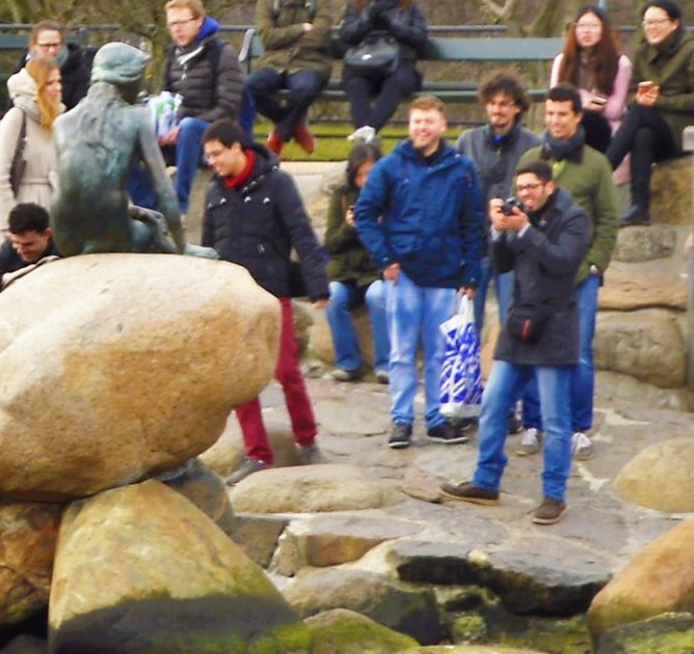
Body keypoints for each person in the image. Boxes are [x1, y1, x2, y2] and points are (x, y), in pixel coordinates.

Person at [443, 158, 592, 526]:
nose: (524, 194)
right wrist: (497, 231)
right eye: (520, 188)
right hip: (519, 325)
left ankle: (554, 496)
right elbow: (503, 264)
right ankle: (485, 481)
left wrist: (525, 230)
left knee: (556, 421)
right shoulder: (519, 217)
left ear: (548, 187)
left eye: (531, 187)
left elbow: (562, 261)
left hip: (555, 327)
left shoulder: (573, 218)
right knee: (493, 405)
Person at [198, 121, 329, 483]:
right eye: (208, 157)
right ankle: (257, 454)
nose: (213, 163)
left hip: (272, 293)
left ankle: (307, 440)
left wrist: (318, 285)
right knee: (241, 379)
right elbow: (207, 248)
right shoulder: (215, 192)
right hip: (231, 297)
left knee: (286, 370)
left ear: (237, 148)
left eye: (217, 154)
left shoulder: (278, 183)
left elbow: (302, 233)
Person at [353, 93, 483, 450]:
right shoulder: (390, 167)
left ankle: (439, 419)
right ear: (409, 125)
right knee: (401, 352)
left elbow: (473, 223)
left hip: (444, 273)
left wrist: (471, 273)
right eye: (416, 122)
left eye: (429, 121)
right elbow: (365, 213)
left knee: (441, 352)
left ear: (443, 125)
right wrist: (385, 258)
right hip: (404, 274)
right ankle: (401, 419)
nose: (422, 128)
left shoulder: (461, 168)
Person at [513, 86, 618, 458]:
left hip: (578, 274)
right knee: (529, 343)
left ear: (577, 116)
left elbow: (608, 217)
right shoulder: (529, 157)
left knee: (579, 351)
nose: (555, 121)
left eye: (563, 114)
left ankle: (577, 426)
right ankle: (533, 422)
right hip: (536, 274)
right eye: (550, 114)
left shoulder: (595, 164)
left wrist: (595, 263)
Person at [50, 43, 186, 256]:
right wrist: (184, 246)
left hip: (65, 236)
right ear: (128, 80)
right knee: (153, 230)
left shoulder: (62, 122)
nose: (142, 88)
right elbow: (164, 190)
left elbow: (78, 190)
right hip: (113, 234)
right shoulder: (137, 118)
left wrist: (135, 210)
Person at [604, 0, 694, 226]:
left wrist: (660, 101)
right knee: (641, 134)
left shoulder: (692, 50)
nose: (651, 28)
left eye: (657, 22)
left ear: (674, 23)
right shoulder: (643, 53)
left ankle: (604, 168)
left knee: (639, 114)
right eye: (647, 23)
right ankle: (639, 207)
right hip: (657, 130)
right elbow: (631, 93)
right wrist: (640, 98)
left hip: (687, 128)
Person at [456, 73, 537, 337]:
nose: (497, 109)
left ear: (517, 107)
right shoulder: (467, 141)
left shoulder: (534, 145)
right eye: (492, 103)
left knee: (511, 319)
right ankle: (468, 378)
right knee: (467, 321)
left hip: (514, 246)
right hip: (475, 245)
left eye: (504, 103)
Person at [247, 0, 334, 157]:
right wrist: (300, 29)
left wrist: (286, 37)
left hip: (310, 63)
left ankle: (280, 133)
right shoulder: (267, 1)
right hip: (274, 63)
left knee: (304, 89)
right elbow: (267, 38)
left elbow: (320, 35)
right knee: (248, 88)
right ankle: (293, 126)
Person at [160, 0, 245, 214]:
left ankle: (178, 208)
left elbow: (228, 106)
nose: (176, 29)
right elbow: (166, 97)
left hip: (211, 132)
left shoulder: (222, 53)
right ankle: (147, 205)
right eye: (172, 24)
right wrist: (162, 123)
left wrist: (183, 126)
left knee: (189, 127)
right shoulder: (172, 55)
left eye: (182, 22)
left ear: (199, 21)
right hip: (177, 132)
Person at [334, 0, 429, 142]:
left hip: (398, 65)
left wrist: (393, 25)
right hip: (363, 65)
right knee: (354, 83)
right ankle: (367, 134)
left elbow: (419, 37)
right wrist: (368, 19)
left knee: (398, 82)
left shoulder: (409, 4)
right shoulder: (357, 5)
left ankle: (367, 131)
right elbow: (346, 36)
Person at [323, 140, 390, 384]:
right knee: (332, 297)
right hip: (346, 273)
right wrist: (349, 228)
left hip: (376, 272)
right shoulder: (342, 197)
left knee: (377, 296)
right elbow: (330, 243)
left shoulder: (391, 196)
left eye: (371, 173)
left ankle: (385, 364)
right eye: (360, 174)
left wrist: (382, 226)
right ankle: (348, 362)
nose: (366, 180)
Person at [0, 55, 62, 230]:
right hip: (24, 214)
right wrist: (9, 226)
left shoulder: (58, 120)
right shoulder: (16, 117)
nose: (57, 88)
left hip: (55, 216)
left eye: (58, 81)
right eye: (49, 83)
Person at [554, 8, 630, 156]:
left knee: (590, 120)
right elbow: (555, 100)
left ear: (603, 30)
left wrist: (580, 102)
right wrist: (583, 104)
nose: (586, 31)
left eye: (593, 26)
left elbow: (615, 110)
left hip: (606, 127)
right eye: (581, 26)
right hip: (568, 123)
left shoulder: (620, 63)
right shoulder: (562, 61)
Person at [0, 202, 58, 302]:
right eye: (17, 243)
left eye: (28, 244)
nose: (21, 250)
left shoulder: (65, 247)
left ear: (47, 234)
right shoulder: (10, 248)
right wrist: (8, 278)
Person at [29, 20, 93, 111]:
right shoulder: (24, 70)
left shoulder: (78, 71)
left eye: (55, 45)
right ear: (33, 45)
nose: (51, 50)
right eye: (46, 46)